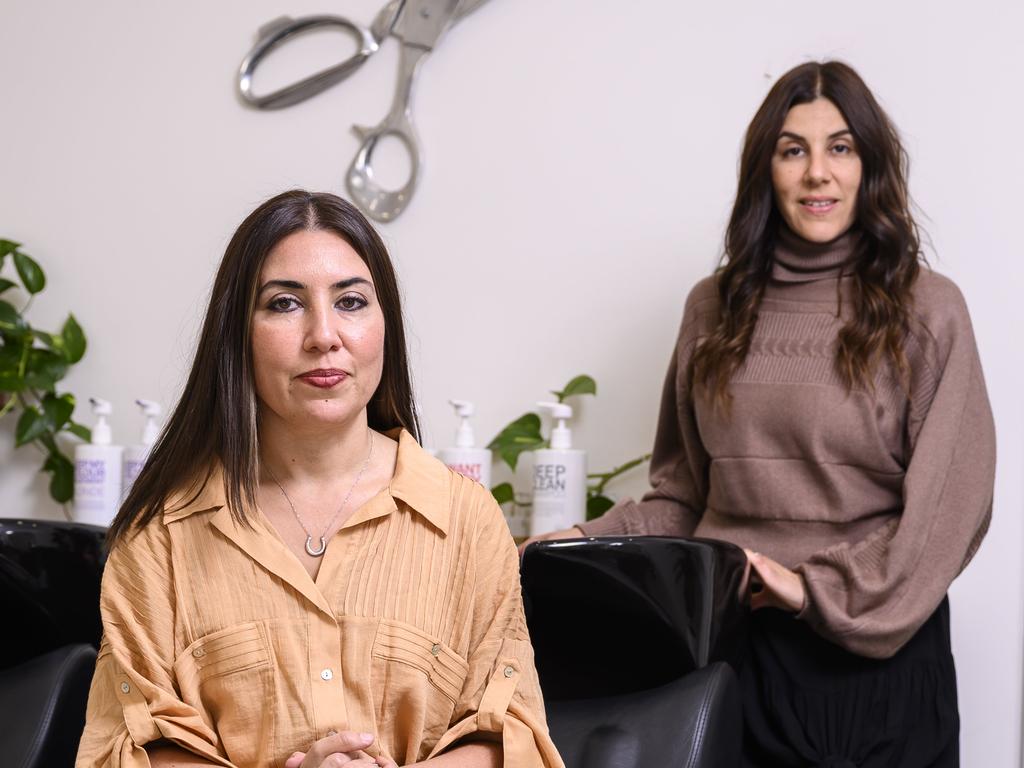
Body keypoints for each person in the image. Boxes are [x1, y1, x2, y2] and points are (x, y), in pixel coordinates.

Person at [525, 61, 995, 767]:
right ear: (764, 170)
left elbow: (946, 514)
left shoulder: (927, 310)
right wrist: (576, 542)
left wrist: (811, 588)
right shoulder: (712, 309)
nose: (818, 174)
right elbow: (684, 495)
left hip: (879, 666)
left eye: (841, 148)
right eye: (792, 149)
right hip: (737, 656)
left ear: (869, 166)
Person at [77, 191, 563, 768]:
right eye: (284, 304)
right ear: (237, 333)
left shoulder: (465, 520)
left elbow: (507, 734)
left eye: (352, 301)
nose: (324, 335)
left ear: (386, 325)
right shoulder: (160, 534)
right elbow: (131, 747)